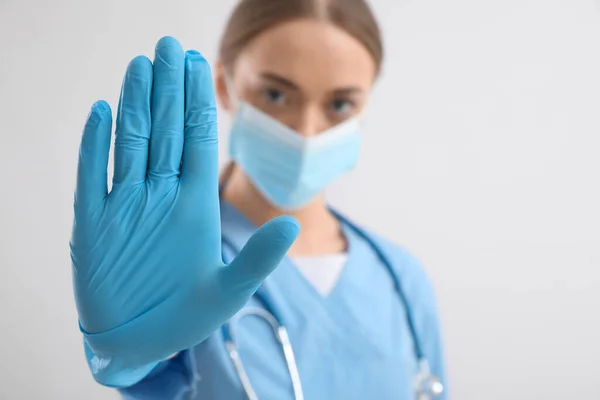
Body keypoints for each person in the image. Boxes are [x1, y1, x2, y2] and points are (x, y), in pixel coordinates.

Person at [70, 0, 447, 398]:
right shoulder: (165, 259)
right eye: (276, 94)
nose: (306, 131)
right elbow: (138, 373)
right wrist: (124, 353)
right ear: (223, 87)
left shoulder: (401, 279)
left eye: (339, 104)